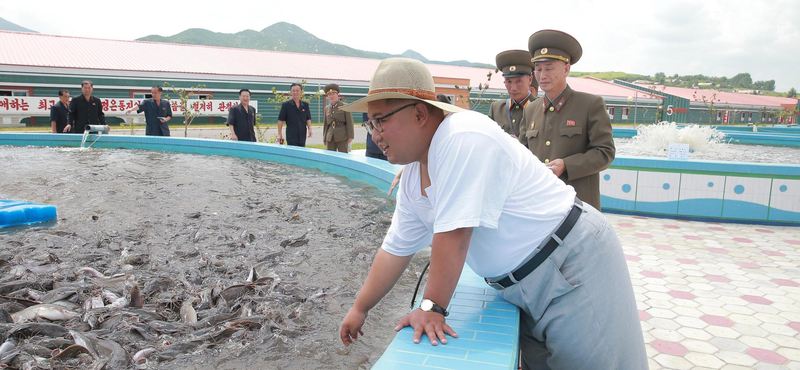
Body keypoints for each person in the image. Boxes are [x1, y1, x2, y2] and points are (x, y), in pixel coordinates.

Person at [338, 58, 646, 370]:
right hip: (519, 285)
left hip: (571, 261)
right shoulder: (414, 176)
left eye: (380, 121)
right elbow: (395, 248)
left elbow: (455, 233)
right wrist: (361, 308)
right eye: (369, 124)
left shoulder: (461, 136)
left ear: (419, 113)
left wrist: (432, 308)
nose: (374, 134)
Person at [519, 30, 615, 210]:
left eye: (549, 68)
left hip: (578, 206)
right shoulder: (531, 109)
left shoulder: (590, 104)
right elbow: (524, 154)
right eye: (538, 69)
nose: (542, 75)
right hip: (540, 204)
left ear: (566, 69)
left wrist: (567, 165)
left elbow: (605, 152)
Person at [488, 50, 538, 138]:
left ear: (530, 80)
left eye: (518, 81)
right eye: (509, 81)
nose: (513, 88)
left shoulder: (540, 108)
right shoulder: (497, 109)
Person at [322, 83, 354, 152]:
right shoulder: (327, 108)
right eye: (330, 95)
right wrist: (324, 138)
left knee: (343, 155)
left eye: (333, 94)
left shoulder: (344, 106)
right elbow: (325, 125)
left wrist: (350, 136)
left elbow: (349, 122)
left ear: (337, 95)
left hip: (342, 135)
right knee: (330, 155)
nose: (331, 96)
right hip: (330, 136)